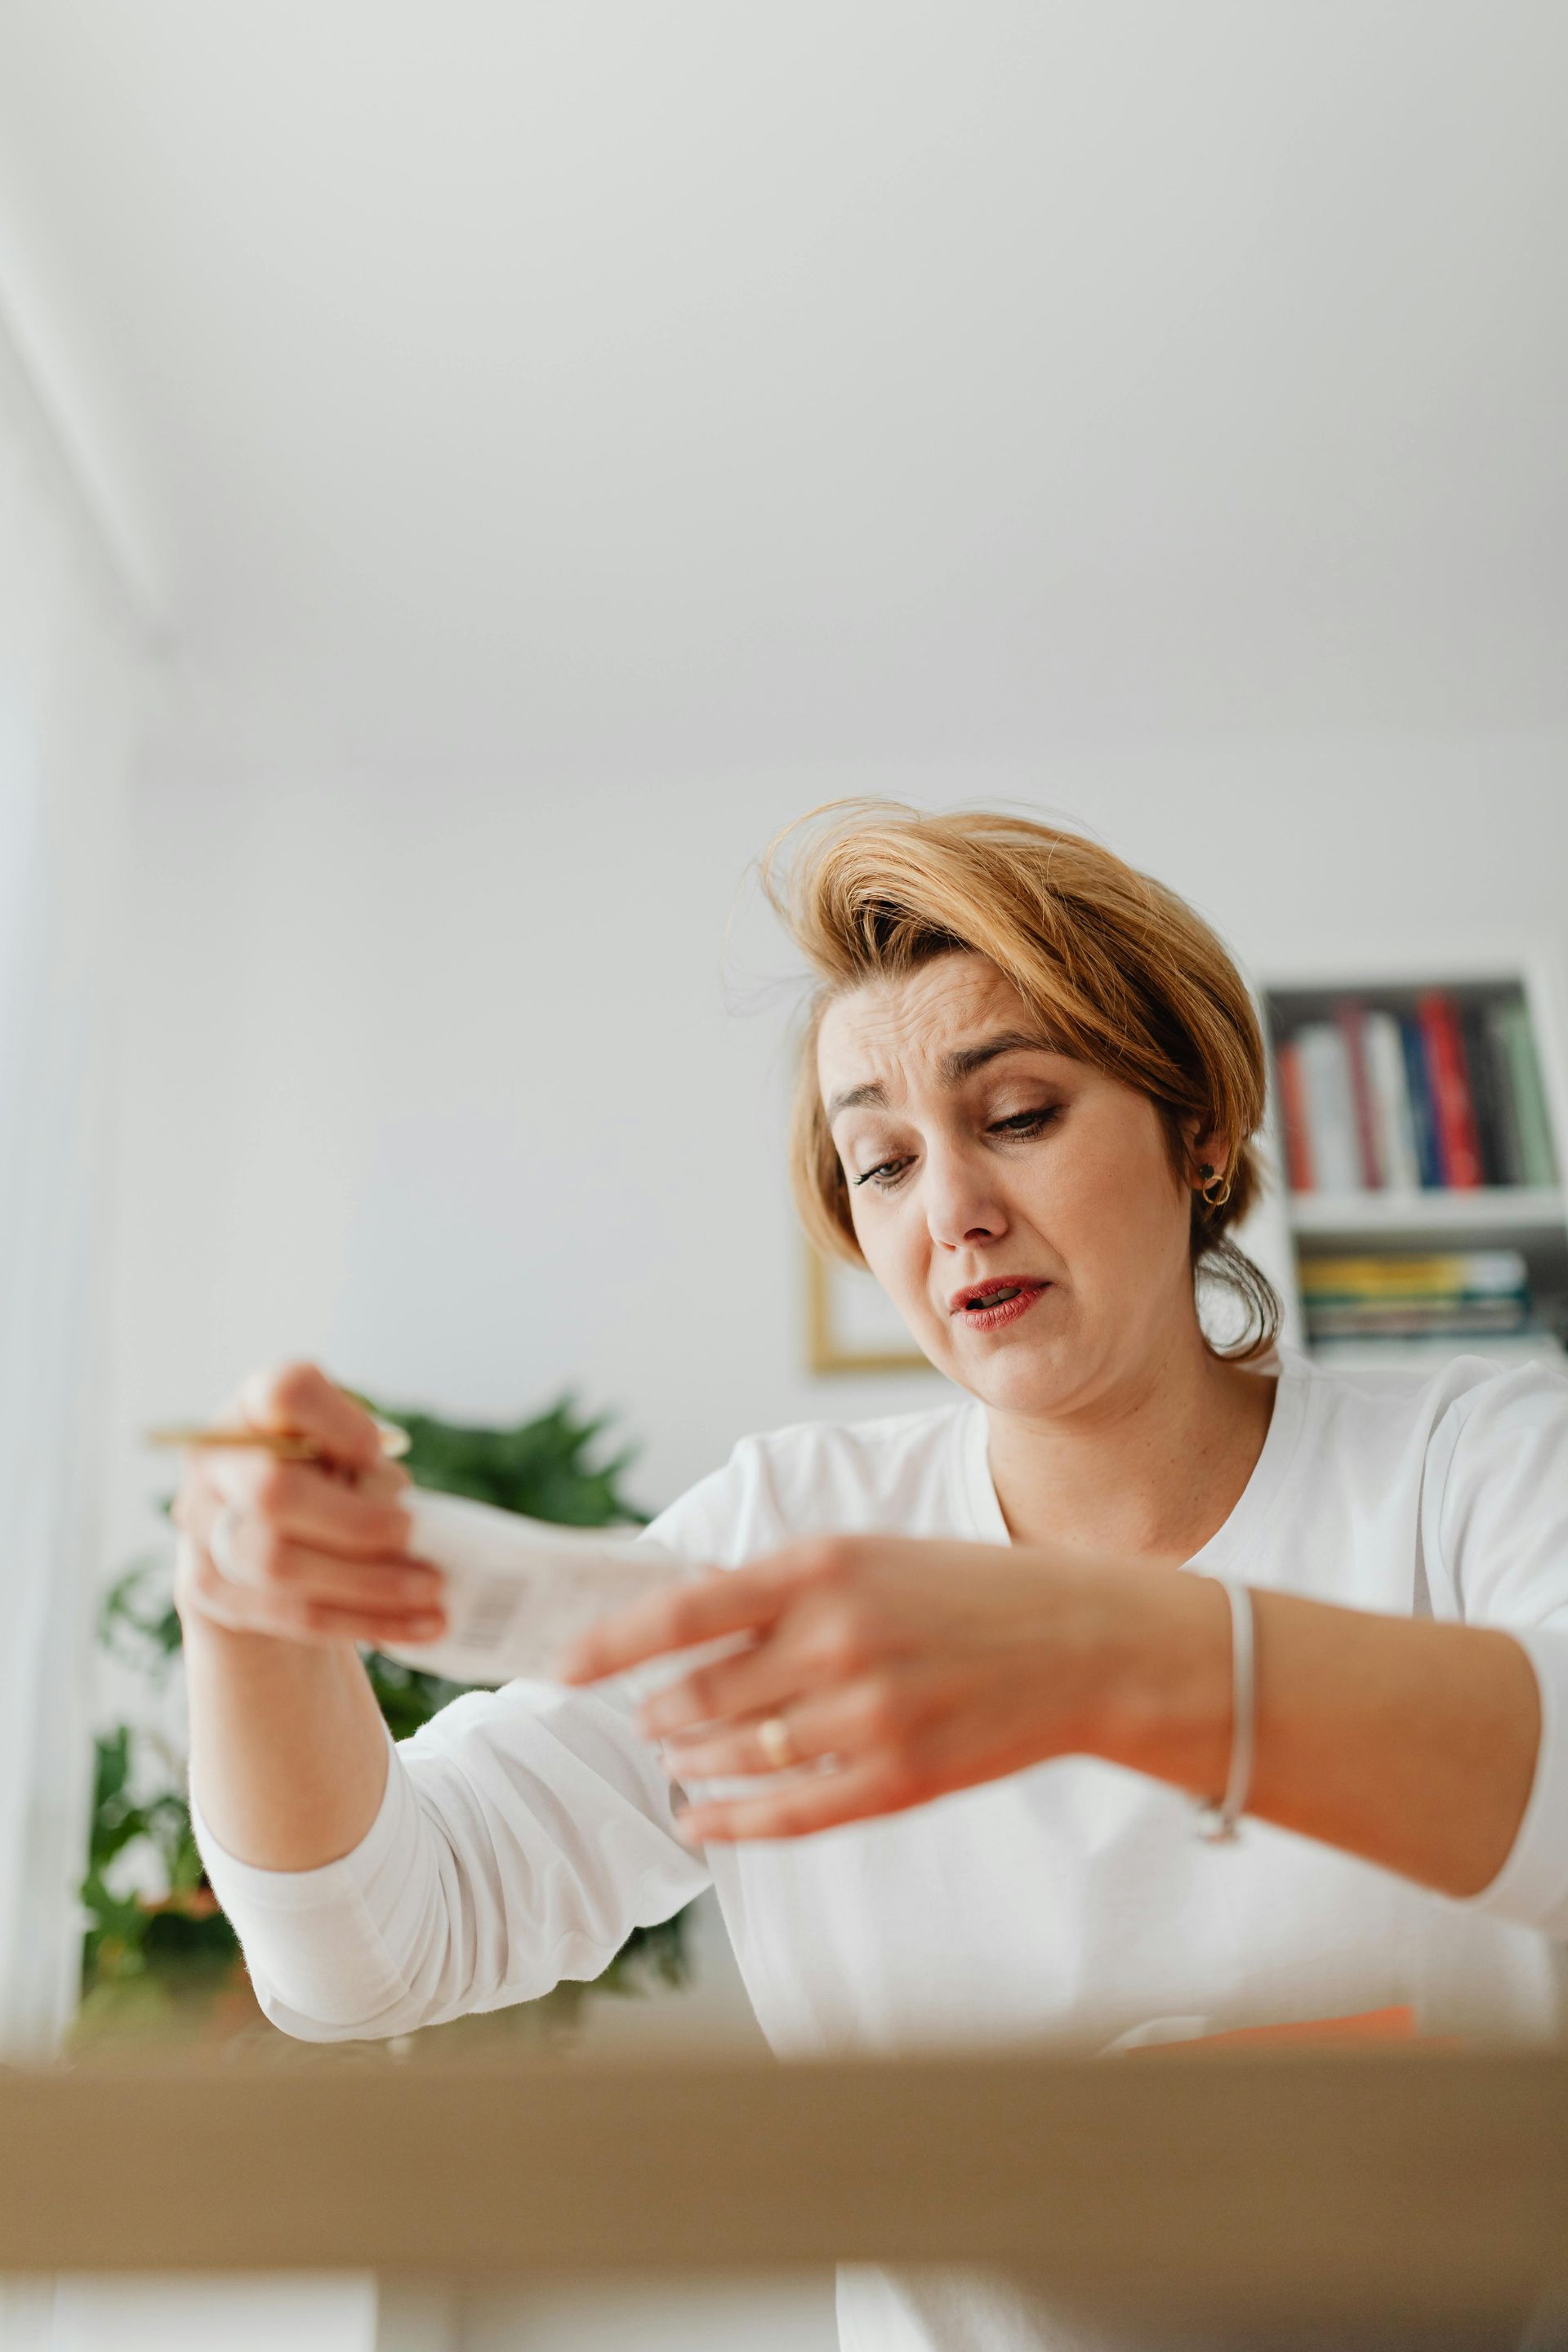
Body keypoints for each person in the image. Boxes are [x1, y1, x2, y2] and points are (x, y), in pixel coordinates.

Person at [176, 804, 1568, 2352]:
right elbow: (372, 1949)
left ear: (1201, 1133)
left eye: (1022, 1113)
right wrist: (241, 1612)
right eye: (883, 1161)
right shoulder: (782, 1534)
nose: (953, 1208)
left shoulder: (1473, 1461)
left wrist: (1093, 1651)